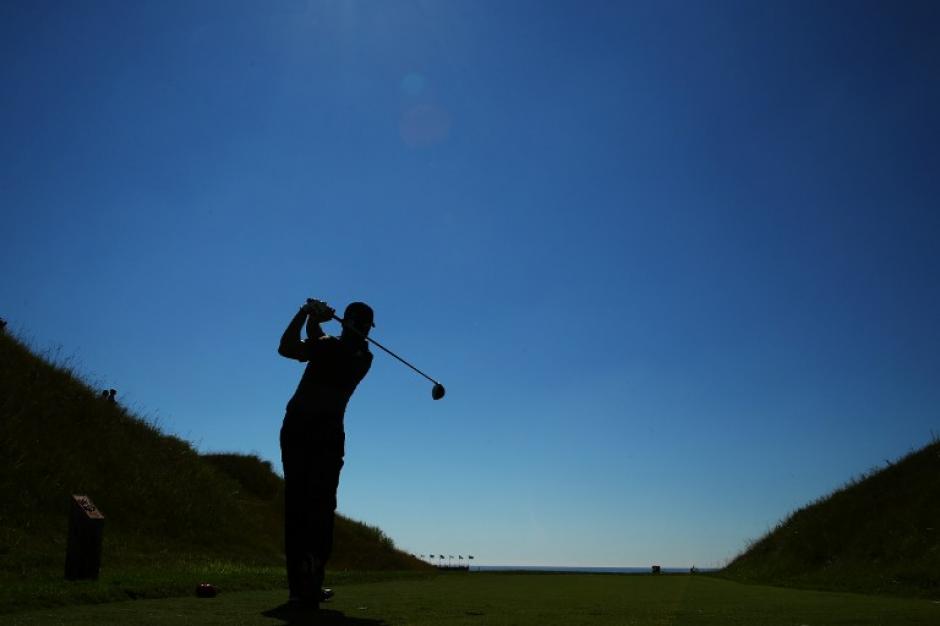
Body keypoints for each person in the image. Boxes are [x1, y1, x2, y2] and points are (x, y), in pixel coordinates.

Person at [277, 298, 374, 609]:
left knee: (319, 508)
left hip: (324, 432)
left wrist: (312, 315)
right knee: (301, 506)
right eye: (359, 324)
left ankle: (309, 583)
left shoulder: (360, 356)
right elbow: (287, 347)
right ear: (351, 323)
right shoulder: (333, 344)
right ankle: (300, 587)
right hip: (303, 428)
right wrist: (306, 314)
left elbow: (317, 343)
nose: (362, 331)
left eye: (364, 327)